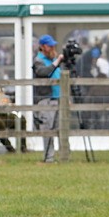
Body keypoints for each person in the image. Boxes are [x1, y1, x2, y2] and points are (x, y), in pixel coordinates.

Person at [33, 34, 67, 163]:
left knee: (61, 128)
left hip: (59, 98)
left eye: (53, 45)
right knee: (47, 129)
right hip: (46, 99)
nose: (52, 47)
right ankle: (49, 157)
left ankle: (63, 155)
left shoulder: (52, 59)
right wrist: (57, 61)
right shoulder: (38, 60)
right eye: (49, 45)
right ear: (42, 47)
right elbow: (43, 73)